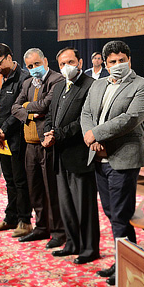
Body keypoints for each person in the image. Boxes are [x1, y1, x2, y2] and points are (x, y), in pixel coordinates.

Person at [81, 41, 144, 284]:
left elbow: (131, 118)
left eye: (122, 60)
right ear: (105, 63)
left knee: (120, 215)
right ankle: (125, 259)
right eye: (112, 61)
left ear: (129, 60)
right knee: (112, 213)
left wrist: (97, 134)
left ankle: (126, 263)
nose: (117, 64)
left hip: (123, 157)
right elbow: (86, 114)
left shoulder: (142, 85)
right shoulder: (98, 84)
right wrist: (90, 137)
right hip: (98, 157)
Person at [43, 47, 99, 265]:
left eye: (71, 62)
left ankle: (89, 248)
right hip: (59, 155)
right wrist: (48, 133)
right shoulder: (58, 86)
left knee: (84, 206)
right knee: (65, 204)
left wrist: (58, 134)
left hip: (79, 155)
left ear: (80, 62)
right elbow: (50, 115)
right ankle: (72, 243)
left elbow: (84, 121)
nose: (67, 67)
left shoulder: (91, 86)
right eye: (62, 64)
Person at [11, 48, 66, 247]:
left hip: (48, 144)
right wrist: (30, 113)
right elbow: (14, 107)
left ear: (45, 61)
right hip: (30, 144)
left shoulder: (57, 79)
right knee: (35, 190)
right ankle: (41, 227)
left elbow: (45, 105)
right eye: (30, 66)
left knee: (52, 189)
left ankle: (58, 231)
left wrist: (27, 107)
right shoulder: (27, 82)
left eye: (36, 64)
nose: (34, 68)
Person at [0, 43, 32, 237]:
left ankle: (25, 220)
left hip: (18, 137)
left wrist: (3, 130)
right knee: (9, 181)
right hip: (1, 139)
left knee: (20, 181)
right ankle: (11, 217)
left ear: (9, 57)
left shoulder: (24, 78)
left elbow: (21, 109)